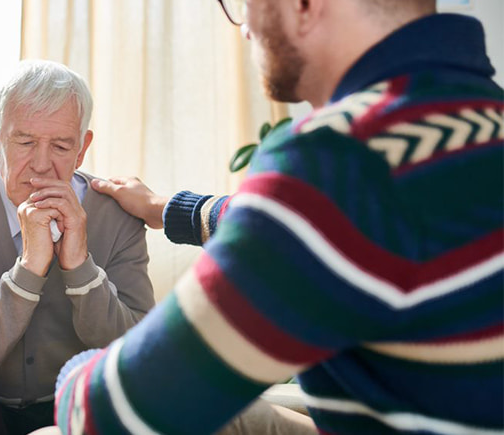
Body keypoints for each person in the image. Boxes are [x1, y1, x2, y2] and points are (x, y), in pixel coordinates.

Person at [53, 0, 503, 434]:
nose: (244, 26)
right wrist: (167, 209)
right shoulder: (473, 124)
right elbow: (345, 227)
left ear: (304, 4)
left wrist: (69, 374)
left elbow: (115, 414)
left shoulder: (339, 162)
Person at [0, 60, 156, 435]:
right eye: (24, 142)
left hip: (71, 397)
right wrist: (29, 268)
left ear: (82, 148)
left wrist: (79, 267)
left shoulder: (118, 215)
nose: (41, 165)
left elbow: (140, 361)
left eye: (61, 146)